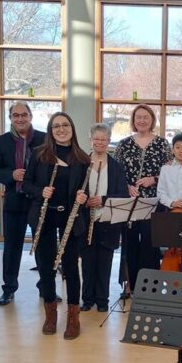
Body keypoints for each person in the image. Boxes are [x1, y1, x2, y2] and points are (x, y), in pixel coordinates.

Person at [23, 111, 90, 339]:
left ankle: (73, 317)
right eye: (56, 126)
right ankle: (50, 314)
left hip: (70, 218)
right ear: (51, 131)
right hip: (44, 218)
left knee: (71, 268)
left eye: (65, 125)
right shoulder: (39, 154)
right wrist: (40, 191)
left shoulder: (81, 157)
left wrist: (84, 198)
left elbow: (86, 189)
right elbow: (26, 184)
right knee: (46, 266)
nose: (61, 129)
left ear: (72, 128)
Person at [0, 102, 47, 306]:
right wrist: (10, 175)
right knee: (12, 247)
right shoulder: (1, 141)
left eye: (24, 114)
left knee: (42, 245)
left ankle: (46, 287)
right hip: (14, 200)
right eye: (15, 115)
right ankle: (9, 288)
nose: (20, 118)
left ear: (30, 116)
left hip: (38, 201)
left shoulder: (44, 139)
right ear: (10, 118)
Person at [113, 104, 172, 293]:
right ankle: (130, 284)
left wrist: (153, 179)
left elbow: (171, 173)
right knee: (130, 244)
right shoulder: (123, 144)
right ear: (133, 120)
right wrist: (127, 186)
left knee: (150, 244)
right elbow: (116, 173)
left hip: (153, 203)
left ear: (152, 120)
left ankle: (150, 286)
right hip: (129, 202)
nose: (142, 120)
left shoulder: (162, 144)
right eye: (138, 117)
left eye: (146, 117)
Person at [76, 123, 128, 312]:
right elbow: (75, 190)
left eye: (103, 139)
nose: (99, 142)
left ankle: (102, 300)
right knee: (87, 262)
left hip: (107, 221)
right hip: (86, 219)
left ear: (108, 141)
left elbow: (123, 194)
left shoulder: (116, 167)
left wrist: (103, 199)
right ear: (90, 141)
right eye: (96, 139)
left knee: (105, 263)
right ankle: (87, 299)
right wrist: (84, 200)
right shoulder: (82, 164)